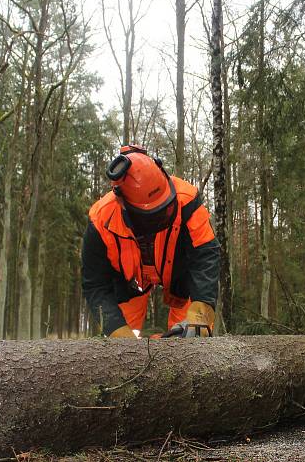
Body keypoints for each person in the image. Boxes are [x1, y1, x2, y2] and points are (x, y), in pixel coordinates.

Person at [81, 144, 220, 338]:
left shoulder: (187, 201)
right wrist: (118, 332)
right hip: (129, 284)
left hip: (180, 279)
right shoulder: (101, 220)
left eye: (165, 209)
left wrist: (201, 317)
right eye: (153, 215)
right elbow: (95, 285)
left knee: (193, 336)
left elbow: (206, 256)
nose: (162, 218)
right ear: (124, 205)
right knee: (123, 342)